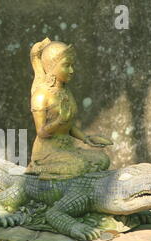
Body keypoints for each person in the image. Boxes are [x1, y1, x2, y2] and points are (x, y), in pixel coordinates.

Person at [25, 38, 112, 180]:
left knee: (103, 159)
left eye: (72, 65)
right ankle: (41, 169)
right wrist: (59, 121)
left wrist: (87, 139)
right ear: (52, 67)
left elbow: (68, 126)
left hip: (66, 149)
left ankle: (71, 173)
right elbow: (41, 132)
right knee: (80, 166)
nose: (72, 70)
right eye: (66, 66)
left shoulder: (65, 91)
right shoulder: (41, 95)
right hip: (47, 153)